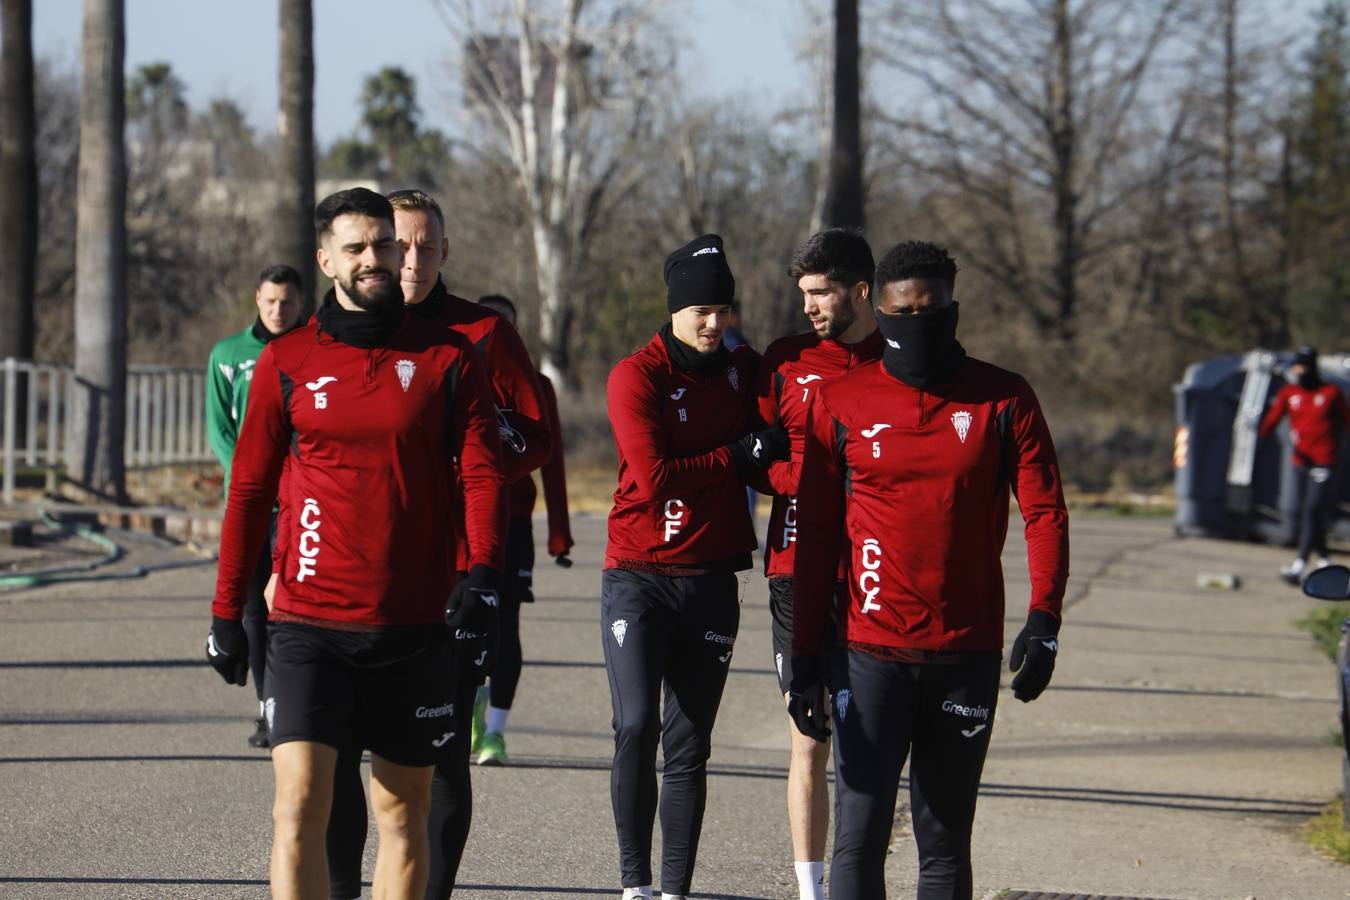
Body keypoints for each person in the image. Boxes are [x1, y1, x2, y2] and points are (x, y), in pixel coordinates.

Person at [205, 187, 505, 900]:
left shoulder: (449, 356)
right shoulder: (288, 359)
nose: (374, 258)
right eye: (356, 247)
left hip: (414, 625)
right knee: (299, 807)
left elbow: (482, 472)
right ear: (326, 260)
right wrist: (226, 609)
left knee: (403, 813)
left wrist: (485, 571)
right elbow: (249, 491)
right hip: (307, 625)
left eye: (384, 244)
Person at [788, 240, 1069, 899]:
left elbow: (1045, 512)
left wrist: (1045, 618)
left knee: (943, 841)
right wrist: (804, 658)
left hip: (965, 651)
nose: (918, 321)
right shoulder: (840, 400)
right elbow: (817, 537)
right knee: (859, 835)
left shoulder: (1004, 398)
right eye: (903, 312)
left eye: (932, 309)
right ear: (879, 310)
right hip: (868, 653)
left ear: (952, 307)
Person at [324, 188, 555, 900]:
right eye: (401, 245)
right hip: (357, 571)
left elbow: (536, 434)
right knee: (339, 757)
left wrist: (473, 458)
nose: (412, 260)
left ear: (445, 251)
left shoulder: (483, 333)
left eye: (427, 246)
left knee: (443, 754)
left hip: (455, 572)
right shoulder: (343, 329)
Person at [603, 234, 789, 900]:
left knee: (688, 745)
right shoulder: (637, 375)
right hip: (639, 574)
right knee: (635, 726)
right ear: (674, 310)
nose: (713, 324)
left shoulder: (743, 371)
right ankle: (635, 884)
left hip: (710, 578)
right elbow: (654, 478)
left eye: (722, 310)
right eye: (700, 312)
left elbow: (773, 454)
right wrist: (737, 456)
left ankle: (674, 890)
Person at [753, 229, 882, 900]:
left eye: (821, 292)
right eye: (803, 293)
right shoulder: (784, 360)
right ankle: (811, 890)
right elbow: (757, 454)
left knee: (866, 742)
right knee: (809, 736)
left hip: (873, 575)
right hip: (794, 570)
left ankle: (855, 882)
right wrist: (796, 479)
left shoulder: (896, 360)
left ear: (860, 291)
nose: (808, 306)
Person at [471, 293, 575, 766]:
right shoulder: (456, 373)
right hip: (463, 522)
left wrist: (559, 533)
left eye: (508, 327)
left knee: (506, 627)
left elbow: (551, 462)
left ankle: (496, 731)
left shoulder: (536, 386)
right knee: (466, 622)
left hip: (513, 522)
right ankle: (469, 700)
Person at [205, 263, 304, 748]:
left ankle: (301, 708)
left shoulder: (313, 353)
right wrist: (251, 473)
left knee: (290, 606)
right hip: (249, 500)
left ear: (301, 303)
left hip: (298, 502)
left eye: (287, 302)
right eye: (270, 301)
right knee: (253, 611)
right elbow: (221, 428)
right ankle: (267, 709)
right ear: (257, 301)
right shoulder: (228, 355)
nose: (278, 310)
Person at [1258, 345, 1350, 584]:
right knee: (1309, 513)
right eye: (1297, 367)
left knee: (1312, 509)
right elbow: (1272, 419)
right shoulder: (1289, 393)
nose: (1300, 371)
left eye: (1304, 367)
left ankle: (1299, 565)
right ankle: (1324, 560)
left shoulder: (1331, 393)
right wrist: (1258, 438)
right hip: (1301, 461)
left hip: (1324, 461)